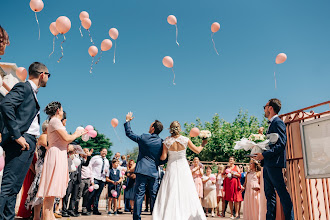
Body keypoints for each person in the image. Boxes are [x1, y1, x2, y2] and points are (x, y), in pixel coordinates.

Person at [0, 62, 50, 219]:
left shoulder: (32, 92)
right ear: (42, 74)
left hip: (28, 143)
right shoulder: (24, 87)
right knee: (9, 186)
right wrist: (17, 135)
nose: (48, 78)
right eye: (48, 75)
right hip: (20, 141)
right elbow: (6, 104)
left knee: (14, 187)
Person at [36, 101, 86, 220]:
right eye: (62, 110)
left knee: (52, 191)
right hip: (55, 155)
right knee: (50, 190)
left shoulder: (54, 122)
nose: (63, 112)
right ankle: (47, 217)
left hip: (58, 153)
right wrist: (77, 133)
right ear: (58, 110)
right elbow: (67, 138)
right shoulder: (55, 121)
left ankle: (48, 216)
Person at [152, 121, 208, 220]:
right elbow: (197, 150)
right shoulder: (185, 140)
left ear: (170, 129)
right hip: (183, 167)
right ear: (179, 128)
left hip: (171, 167)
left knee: (170, 189)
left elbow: (163, 157)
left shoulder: (166, 141)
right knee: (186, 189)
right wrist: (203, 143)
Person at [254, 98, 294, 220]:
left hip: (274, 165)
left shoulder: (278, 123)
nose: (264, 109)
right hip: (267, 165)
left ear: (270, 108)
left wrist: (264, 155)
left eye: (265, 107)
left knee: (282, 195)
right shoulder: (271, 124)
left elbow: (281, 144)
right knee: (269, 196)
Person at [124, 112, 165, 220]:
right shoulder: (162, 142)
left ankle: (137, 218)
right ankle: (157, 216)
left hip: (142, 170)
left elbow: (129, 133)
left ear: (153, 128)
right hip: (154, 172)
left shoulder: (144, 137)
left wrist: (127, 121)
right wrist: (157, 163)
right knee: (154, 195)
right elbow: (164, 159)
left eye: (150, 125)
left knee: (139, 195)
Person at [25, 120, 49, 220]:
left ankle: (43, 216)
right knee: (40, 190)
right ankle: (36, 217)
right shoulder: (43, 136)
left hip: (47, 165)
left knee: (45, 192)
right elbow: (49, 149)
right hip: (42, 165)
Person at [87, 147, 110, 215]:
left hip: (102, 179)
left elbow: (107, 170)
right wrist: (91, 178)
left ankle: (95, 209)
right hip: (95, 178)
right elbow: (90, 165)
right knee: (92, 194)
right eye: (103, 151)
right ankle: (88, 209)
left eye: (105, 151)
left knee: (98, 195)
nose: (104, 152)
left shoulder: (107, 160)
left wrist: (106, 179)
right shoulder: (95, 158)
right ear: (100, 151)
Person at [78, 148, 93, 216]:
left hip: (88, 180)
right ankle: (76, 209)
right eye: (85, 151)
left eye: (87, 151)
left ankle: (84, 209)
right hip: (82, 179)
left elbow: (91, 171)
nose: (86, 153)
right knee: (79, 195)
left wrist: (91, 181)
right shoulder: (80, 160)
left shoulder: (89, 161)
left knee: (86, 196)